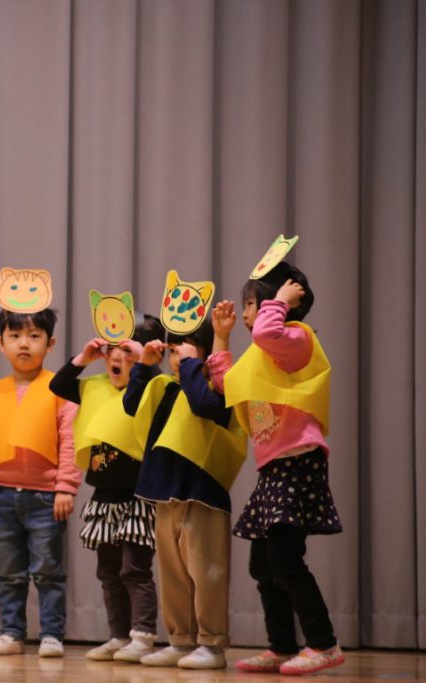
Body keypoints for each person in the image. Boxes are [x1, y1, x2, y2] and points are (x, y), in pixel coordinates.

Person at [208, 261, 344, 676]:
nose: (246, 312)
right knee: (263, 566)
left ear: (277, 301)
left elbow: (268, 332)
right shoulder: (262, 354)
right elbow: (227, 383)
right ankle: (282, 646)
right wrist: (221, 336)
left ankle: (324, 643)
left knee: (285, 560)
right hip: (273, 469)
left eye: (252, 303)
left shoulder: (296, 339)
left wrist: (281, 301)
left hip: (298, 460)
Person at [123, 319, 246, 669]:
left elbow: (204, 406)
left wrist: (193, 364)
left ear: (205, 353)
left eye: (187, 349)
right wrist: (145, 366)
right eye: (174, 351)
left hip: (202, 493)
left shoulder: (216, 387)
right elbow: (132, 405)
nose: (178, 358)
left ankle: (212, 643)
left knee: (207, 572)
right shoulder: (166, 388)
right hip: (165, 493)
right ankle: (181, 639)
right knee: (173, 573)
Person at [47, 315, 164, 662]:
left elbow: (155, 389)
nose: (116, 356)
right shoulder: (93, 386)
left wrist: (146, 363)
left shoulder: (151, 387)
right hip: (104, 495)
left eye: (127, 350)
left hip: (138, 496)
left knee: (135, 570)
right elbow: (58, 384)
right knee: (109, 572)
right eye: (112, 348)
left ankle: (142, 635)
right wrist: (83, 358)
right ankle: (118, 635)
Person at [0, 307, 80, 658]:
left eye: (34, 336)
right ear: (1, 343)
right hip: (2, 496)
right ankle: (12, 633)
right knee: (9, 573)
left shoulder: (59, 389)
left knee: (48, 571)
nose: (24, 344)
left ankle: (51, 635)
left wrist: (65, 486)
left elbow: (70, 441)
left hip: (46, 499)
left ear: (50, 343)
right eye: (14, 336)